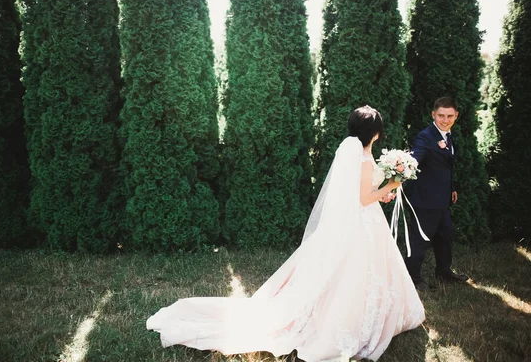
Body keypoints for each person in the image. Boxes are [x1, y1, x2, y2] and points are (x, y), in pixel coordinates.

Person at [146, 106, 425, 361]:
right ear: (376, 133)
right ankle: (352, 321)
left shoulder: (356, 151)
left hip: (362, 221)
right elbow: (365, 198)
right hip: (363, 223)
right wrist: (392, 185)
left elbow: (360, 194)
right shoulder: (362, 158)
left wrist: (385, 190)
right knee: (359, 274)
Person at [404, 97, 469, 291]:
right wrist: (406, 164)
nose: (445, 119)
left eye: (450, 116)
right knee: (421, 240)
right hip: (425, 199)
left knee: (445, 233)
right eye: (441, 115)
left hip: (442, 199)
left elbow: (445, 166)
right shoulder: (425, 137)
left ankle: (444, 271)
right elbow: (417, 156)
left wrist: (452, 188)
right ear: (433, 114)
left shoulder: (447, 135)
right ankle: (413, 278)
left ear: (456, 116)